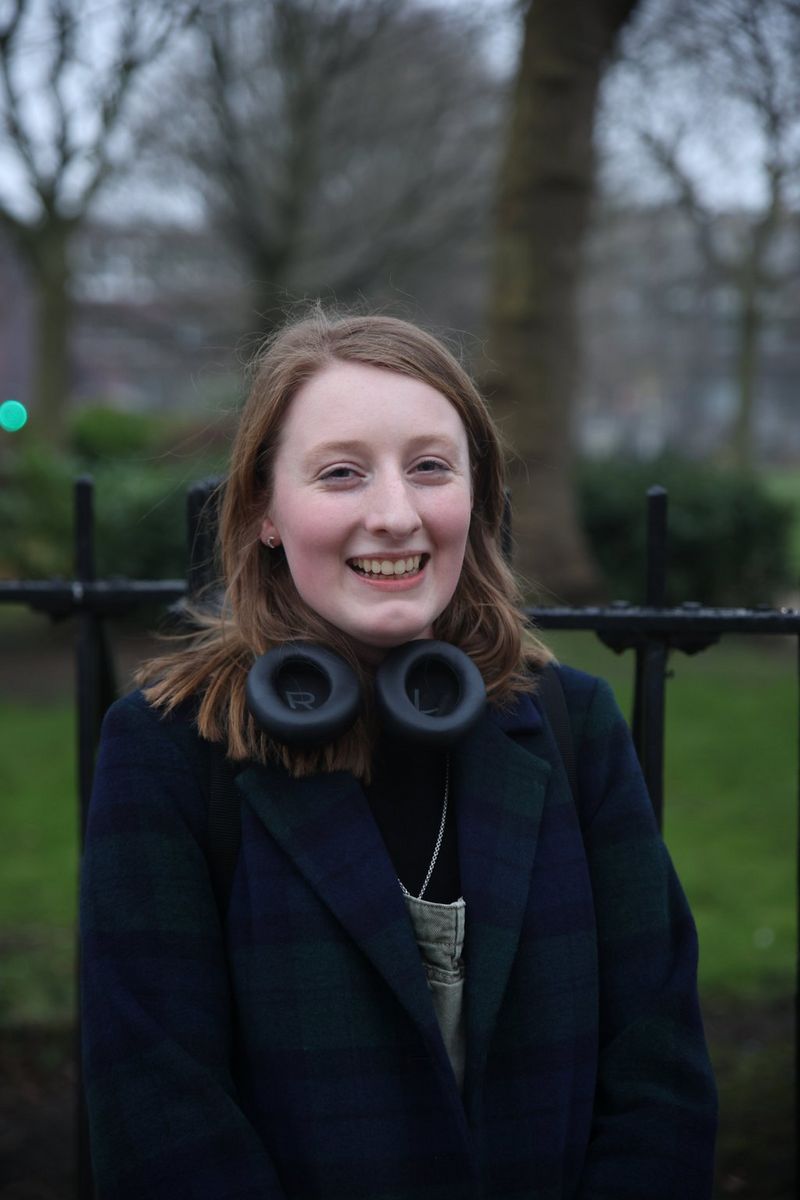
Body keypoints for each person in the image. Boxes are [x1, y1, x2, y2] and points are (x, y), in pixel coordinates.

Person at [80, 309, 717, 1199]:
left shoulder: (578, 728)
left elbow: (659, 1077)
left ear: (476, 495)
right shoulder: (166, 755)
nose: (395, 514)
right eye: (341, 473)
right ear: (264, 508)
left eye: (429, 467)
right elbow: (159, 1118)